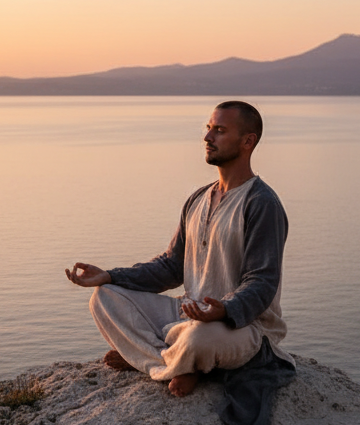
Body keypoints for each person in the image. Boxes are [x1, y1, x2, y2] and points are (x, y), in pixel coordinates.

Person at [65, 101, 292, 404]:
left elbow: (262, 282)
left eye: (220, 130)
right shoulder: (198, 198)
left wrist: (223, 311)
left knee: (200, 338)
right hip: (188, 311)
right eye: (208, 128)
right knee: (104, 298)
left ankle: (158, 359)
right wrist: (110, 275)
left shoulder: (261, 202)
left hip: (241, 326)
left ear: (247, 141)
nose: (208, 137)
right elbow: (171, 266)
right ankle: (176, 362)